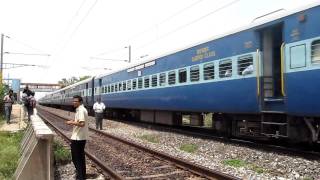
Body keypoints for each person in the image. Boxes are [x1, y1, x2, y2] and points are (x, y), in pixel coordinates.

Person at [66, 95, 88, 180]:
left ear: (80, 102)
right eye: (73, 101)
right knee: (80, 158)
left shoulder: (81, 110)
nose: (74, 102)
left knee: (76, 158)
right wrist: (74, 122)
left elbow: (82, 124)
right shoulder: (80, 109)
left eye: (76, 101)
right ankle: (82, 176)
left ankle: (81, 177)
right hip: (80, 137)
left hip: (78, 138)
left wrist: (71, 122)